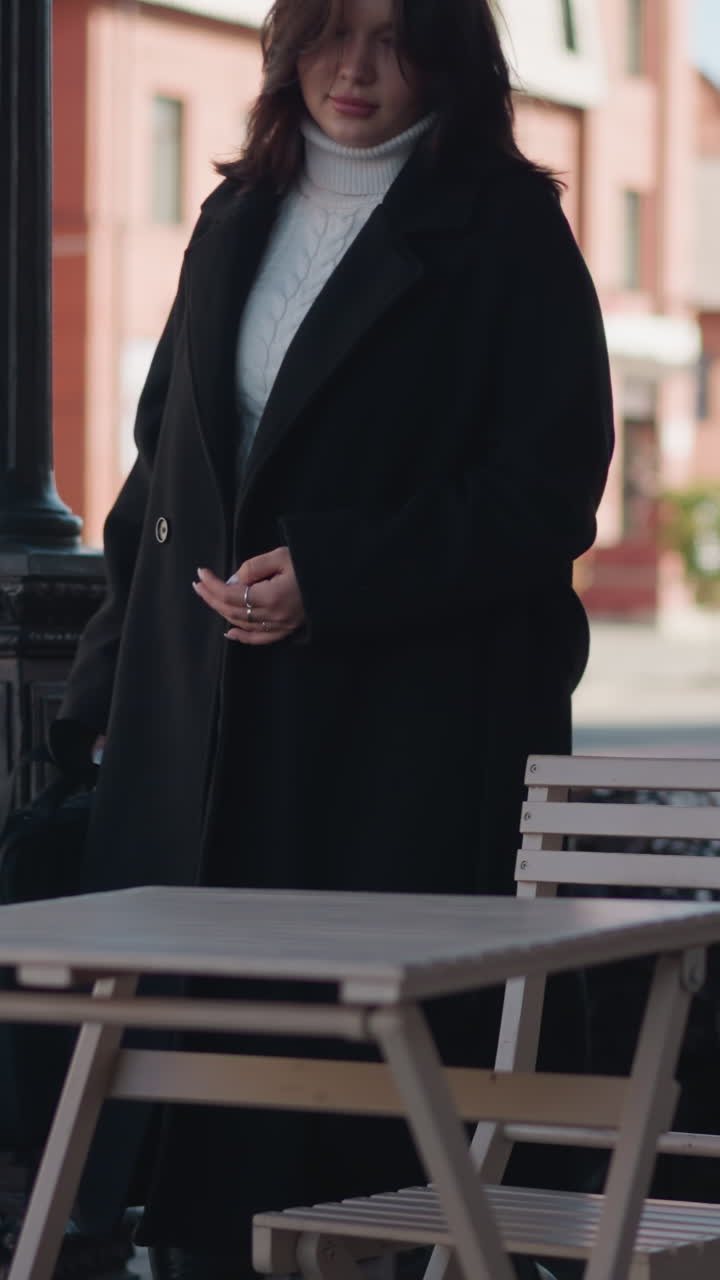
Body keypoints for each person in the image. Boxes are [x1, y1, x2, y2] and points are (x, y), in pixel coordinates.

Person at [48, 0, 614, 1276]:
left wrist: (340, 576)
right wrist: (97, 700)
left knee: (352, 1127)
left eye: (396, 38)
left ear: (453, 59)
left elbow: (548, 488)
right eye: (329, 32)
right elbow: (161, 477)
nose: (355, 70)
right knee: (192, 1125)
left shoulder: (505, 229)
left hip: (395, 739)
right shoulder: (232, 216)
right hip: (198, 733)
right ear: (285, 42)